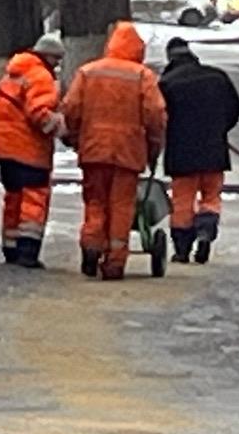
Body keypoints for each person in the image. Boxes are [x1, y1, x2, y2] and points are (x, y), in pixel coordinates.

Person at [59, 22, 167, 281]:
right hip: (128, 152)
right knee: (122, 205)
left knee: (95, 200)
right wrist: (154, 146)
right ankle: (115, 261)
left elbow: (71, 107)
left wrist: (75, 136)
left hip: (94, 148)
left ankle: (91, 244)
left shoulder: (88, 72)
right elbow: (155, 114)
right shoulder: (142, 76)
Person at [0, 33, 64, 268]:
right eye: (56, 59)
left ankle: (10, 247)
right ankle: (28, 251)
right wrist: (63, 130)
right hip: (30, 152)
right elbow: (40, 113)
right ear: (48, 56)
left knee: (13, 199)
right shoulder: (40, 76)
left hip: (6, 153)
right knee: (33, 200)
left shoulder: (12, 76)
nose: (57, 65)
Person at [159, 37, 239, 264]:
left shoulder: (167, 83)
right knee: (211, 196)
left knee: (182, 201)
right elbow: (235, 107)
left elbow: (158, 117)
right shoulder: (217, 77)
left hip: (181, 153)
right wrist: (220, 129)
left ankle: (182, 250)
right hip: (214, 150)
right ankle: (206, 230)